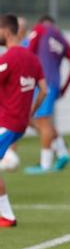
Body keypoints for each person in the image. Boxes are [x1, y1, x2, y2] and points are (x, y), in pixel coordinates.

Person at [0, 13, 47, 228]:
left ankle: (7, 216)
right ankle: (6, 215)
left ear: (6, 31)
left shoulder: (9, 59)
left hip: (7, 122)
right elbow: (44, 90)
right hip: (19, 123)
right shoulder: (32, 58)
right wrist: (30, 112)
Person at [24, 15, 70, 174]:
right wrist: (64, 87)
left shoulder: (40, 29)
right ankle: (62, 151)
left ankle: (45, 164)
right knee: (36, 119)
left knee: (42, 121)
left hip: (42, 82)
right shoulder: (61, 37)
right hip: (54, 82)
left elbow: (28, 53)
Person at [0, 16, 30, 172]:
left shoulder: (14, 53)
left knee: (43, 124)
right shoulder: (24, 52)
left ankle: (10, 157)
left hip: (14, 110)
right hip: (19, 111)